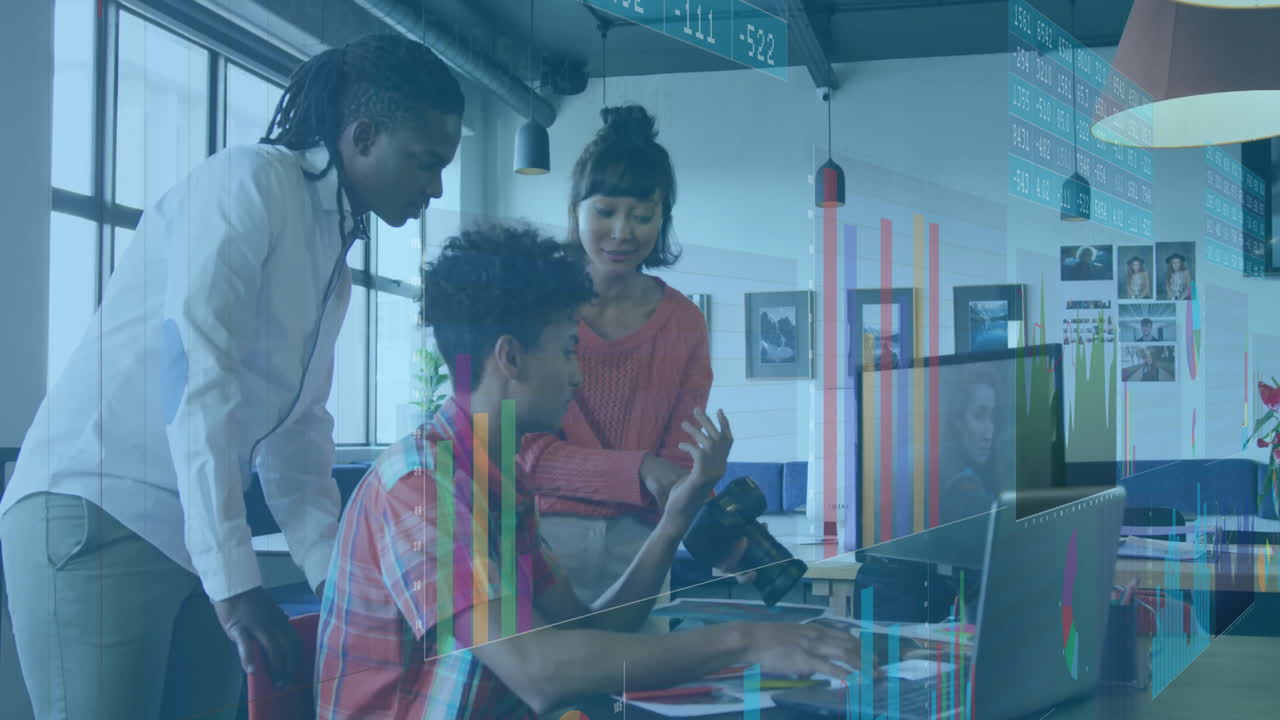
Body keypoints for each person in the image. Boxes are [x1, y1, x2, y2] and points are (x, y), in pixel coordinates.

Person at [0, 35, 463, 719]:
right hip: (98, 507)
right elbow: (194, 374)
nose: (435, 189)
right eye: (426, 163)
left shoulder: (334, 255)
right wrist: (234, 579)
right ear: (363, 137)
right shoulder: (250, 181)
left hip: (191, 529)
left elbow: (298, 437)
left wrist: (340, 585)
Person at [314, 226, 865, 718]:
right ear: (511, 358)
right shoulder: (421, 486)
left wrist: (673, 520)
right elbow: (538, 671)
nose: (577, 375)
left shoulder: (498, 479)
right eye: (568, 351)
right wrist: (744, 641)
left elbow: (585, 632)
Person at [518, 105, 717, 606]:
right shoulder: (534, 307)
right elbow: (517, 453)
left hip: (641, 543)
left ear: (662, 219)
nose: (623, 232)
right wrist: (636, 470)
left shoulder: (684, 323)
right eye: (605, 211)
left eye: (643, 215)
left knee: (638, 682)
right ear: (575, 212)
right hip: (537, 533)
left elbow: (677, 464)